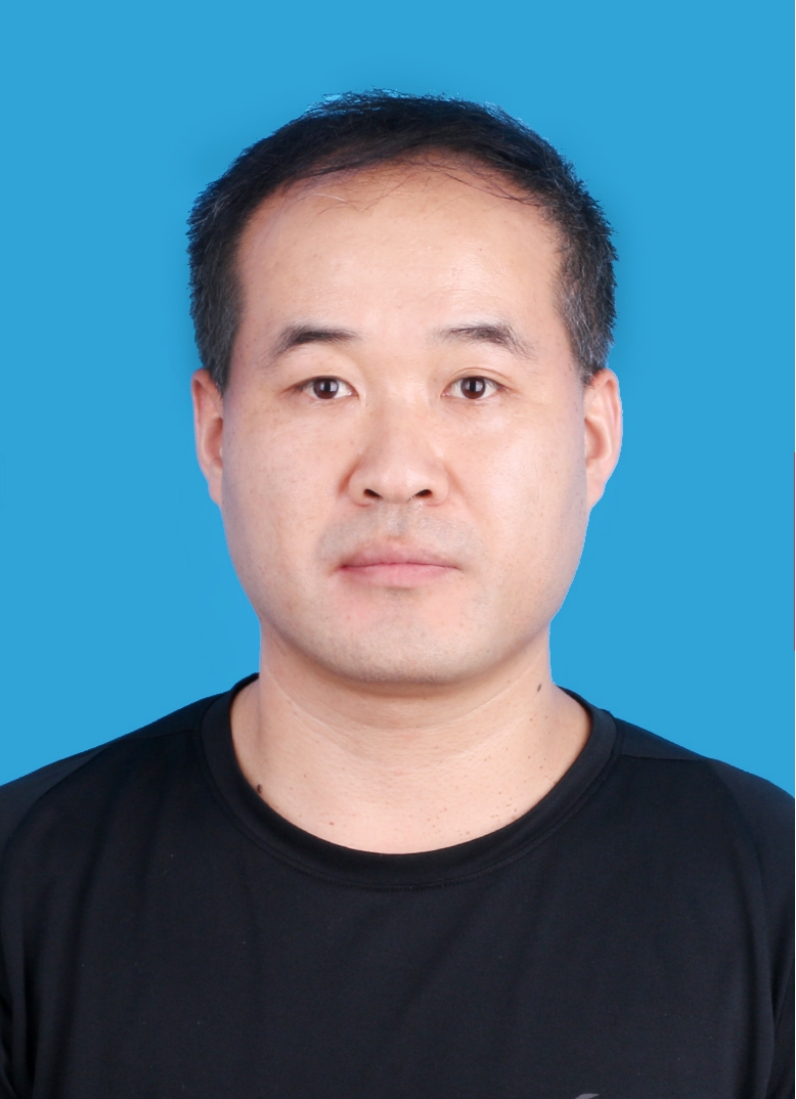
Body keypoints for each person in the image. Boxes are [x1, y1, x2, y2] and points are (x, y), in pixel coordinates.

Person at [0, 92, 791, 1099]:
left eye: (473, 385)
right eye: (324, 385)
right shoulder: (24, 885)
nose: (398, 472)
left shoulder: (770, 890)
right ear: (217, 436)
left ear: (592, 438)